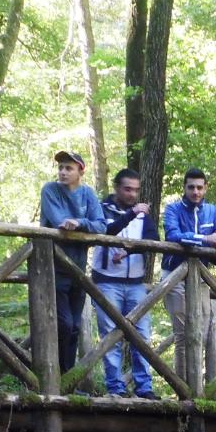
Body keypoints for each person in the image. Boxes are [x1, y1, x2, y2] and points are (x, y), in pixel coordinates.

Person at [92, 168, 157, 398]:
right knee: (111, 335)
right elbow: (106, 231)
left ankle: (144, 387)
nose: (132, 195)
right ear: (117, 187)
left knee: (142, 336)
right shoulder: (101, 209)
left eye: (136, 190)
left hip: (136, 283)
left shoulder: (143, 214)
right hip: (107, 282)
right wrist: (130, 215)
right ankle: (116, 388)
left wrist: (128, 251)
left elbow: (153, 240)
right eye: (128, 189)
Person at [38, 150, 106, 372]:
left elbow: (101, 226)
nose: (63, 172)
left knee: (75, 326)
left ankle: (66, 380)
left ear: (80, 171)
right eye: (60, 168)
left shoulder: (88, 194)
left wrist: (80, 222)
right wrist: (78, 223)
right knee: (63, 325)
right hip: (53, 267)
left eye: (69, 168)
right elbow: (60, 222)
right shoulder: (50, 190)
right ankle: (53, 376)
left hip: (77, 269)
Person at [161, 167, 216, 377]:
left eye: (200, 187)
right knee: (183, 334)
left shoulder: (212, 211)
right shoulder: (173, 209)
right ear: (184, 188)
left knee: (205, 332)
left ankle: (204, 387)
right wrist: (205, 239)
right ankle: (184, 391)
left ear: (206, 188)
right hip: (175, 275)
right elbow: (173, 236)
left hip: (201, 278)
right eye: (191, 187)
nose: (196, 192)